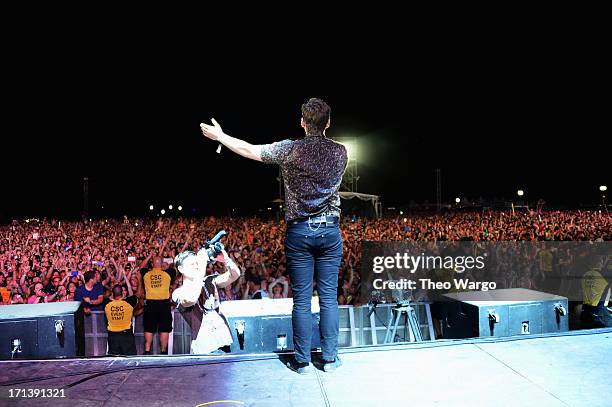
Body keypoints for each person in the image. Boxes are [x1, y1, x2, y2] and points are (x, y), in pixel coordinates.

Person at [200, 98, 347, 373]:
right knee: (328, 298)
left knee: (302, 299)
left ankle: (302, 360)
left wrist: (220, 136)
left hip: (300, 231)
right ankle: (329, 358)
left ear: (302, 122)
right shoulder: (341, 153)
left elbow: (249, 150)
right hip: (329, 230)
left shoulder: (290, 150)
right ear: (328, 122)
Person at [172, 247, 241, 354]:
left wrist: (226, 260)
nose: (196, 266)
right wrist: (202, 266)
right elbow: (191, 299)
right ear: (181, 269)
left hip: (224, 339)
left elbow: (235, 275)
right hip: (205, 346)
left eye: (197, 263)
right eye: (192, 264)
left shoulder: (209, 281)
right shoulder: (178, 293)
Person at [139, 256, 175, 355]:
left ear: (152, 264)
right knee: (164, 329)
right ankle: (163, 352)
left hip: (150, 305)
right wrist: (171, 257)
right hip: (164, 305)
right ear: (162, 263)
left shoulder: (146, 274)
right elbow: (175, 266)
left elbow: (141, 267)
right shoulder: (168, 273)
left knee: (149, 328)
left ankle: (147, 350)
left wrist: (149, 256)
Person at [104, 271, 137, 355]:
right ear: (122, 293)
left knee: (114, 361)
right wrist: (125, 277)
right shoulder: (128, 303)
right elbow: (131, 292)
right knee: (129, 360)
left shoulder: (107, 304)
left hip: (113, 337)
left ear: (113, 294)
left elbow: (108, 296)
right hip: (126, 336)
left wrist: (113, 290)